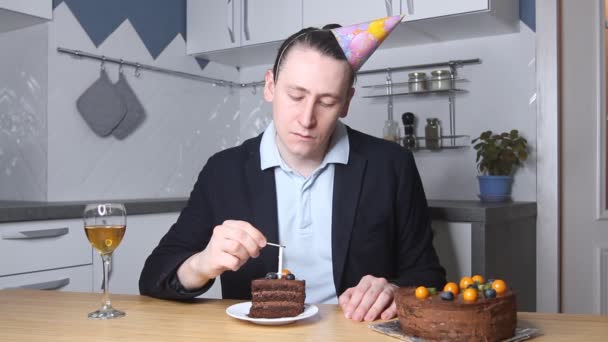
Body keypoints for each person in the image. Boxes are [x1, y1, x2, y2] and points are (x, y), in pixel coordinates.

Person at [139, 15, 446, 322]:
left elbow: (428, 275)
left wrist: (394, 290)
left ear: (346, 103)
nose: (307, 118)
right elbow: (153, 277)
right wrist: (202, 264)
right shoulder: (223, 171)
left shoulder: (392, 165)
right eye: (296, 96)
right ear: (270, 86)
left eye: (326, 102)